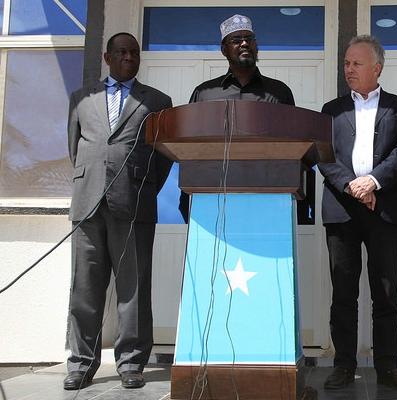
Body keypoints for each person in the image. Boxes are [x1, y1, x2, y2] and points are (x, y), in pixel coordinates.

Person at [65, 32, 172, 390]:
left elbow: (163, 157)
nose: (129, 57)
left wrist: (141, 184)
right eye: (122, 52)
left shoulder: (157, 101)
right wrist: (93, 180)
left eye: (135, 52)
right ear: (107, 57)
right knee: (85, 288)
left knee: (133, 289)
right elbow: (75, 149)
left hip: (134, 203)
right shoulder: (81, 98)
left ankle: (131, 363)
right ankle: (81, 364)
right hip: (88, 205)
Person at [318, 35, 397, 391]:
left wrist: (372, 182)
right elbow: (323, 155)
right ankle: (344, 366)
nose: (349, 69)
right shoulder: (331, 110)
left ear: (377, 68)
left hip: (384, 209)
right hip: (342, 209)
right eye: (346, 63)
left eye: (356, 63)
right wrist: (352, 186)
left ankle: (387, 367)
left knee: (386, 293)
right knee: (343, 294)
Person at [178, 14, 295, 221]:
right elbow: (189, 148)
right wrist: (186, 197)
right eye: (236, 40)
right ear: (223, 49)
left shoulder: (279, 92)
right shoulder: (204, 93)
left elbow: (294, 147)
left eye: (249, 39)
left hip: (269, 198)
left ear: (256, 46)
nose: (244, 44)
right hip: (212, 197)